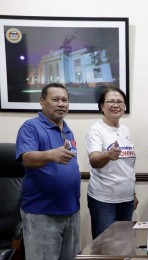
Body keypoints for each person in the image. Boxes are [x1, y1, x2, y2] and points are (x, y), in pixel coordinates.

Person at [16, 83, 80, 259]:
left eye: (65, 100)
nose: (61, 104)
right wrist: (52, 154)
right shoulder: (31, 127)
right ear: (42, 101)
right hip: (42, 214)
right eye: (55, 99)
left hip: (71, 212)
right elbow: (26, 158)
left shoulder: (67, 129)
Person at [85, 86, 138, 239]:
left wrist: (132, 193)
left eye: (120, 102)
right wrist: (108, 154)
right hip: (104, 199)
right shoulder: (96, 130)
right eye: (111, 102)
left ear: (125, 106)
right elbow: (94, 160)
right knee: (104, 245)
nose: (116, 105)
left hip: (126, 199)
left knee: (123, 243)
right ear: (102, 106)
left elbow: (127, 167)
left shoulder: (126, 130)